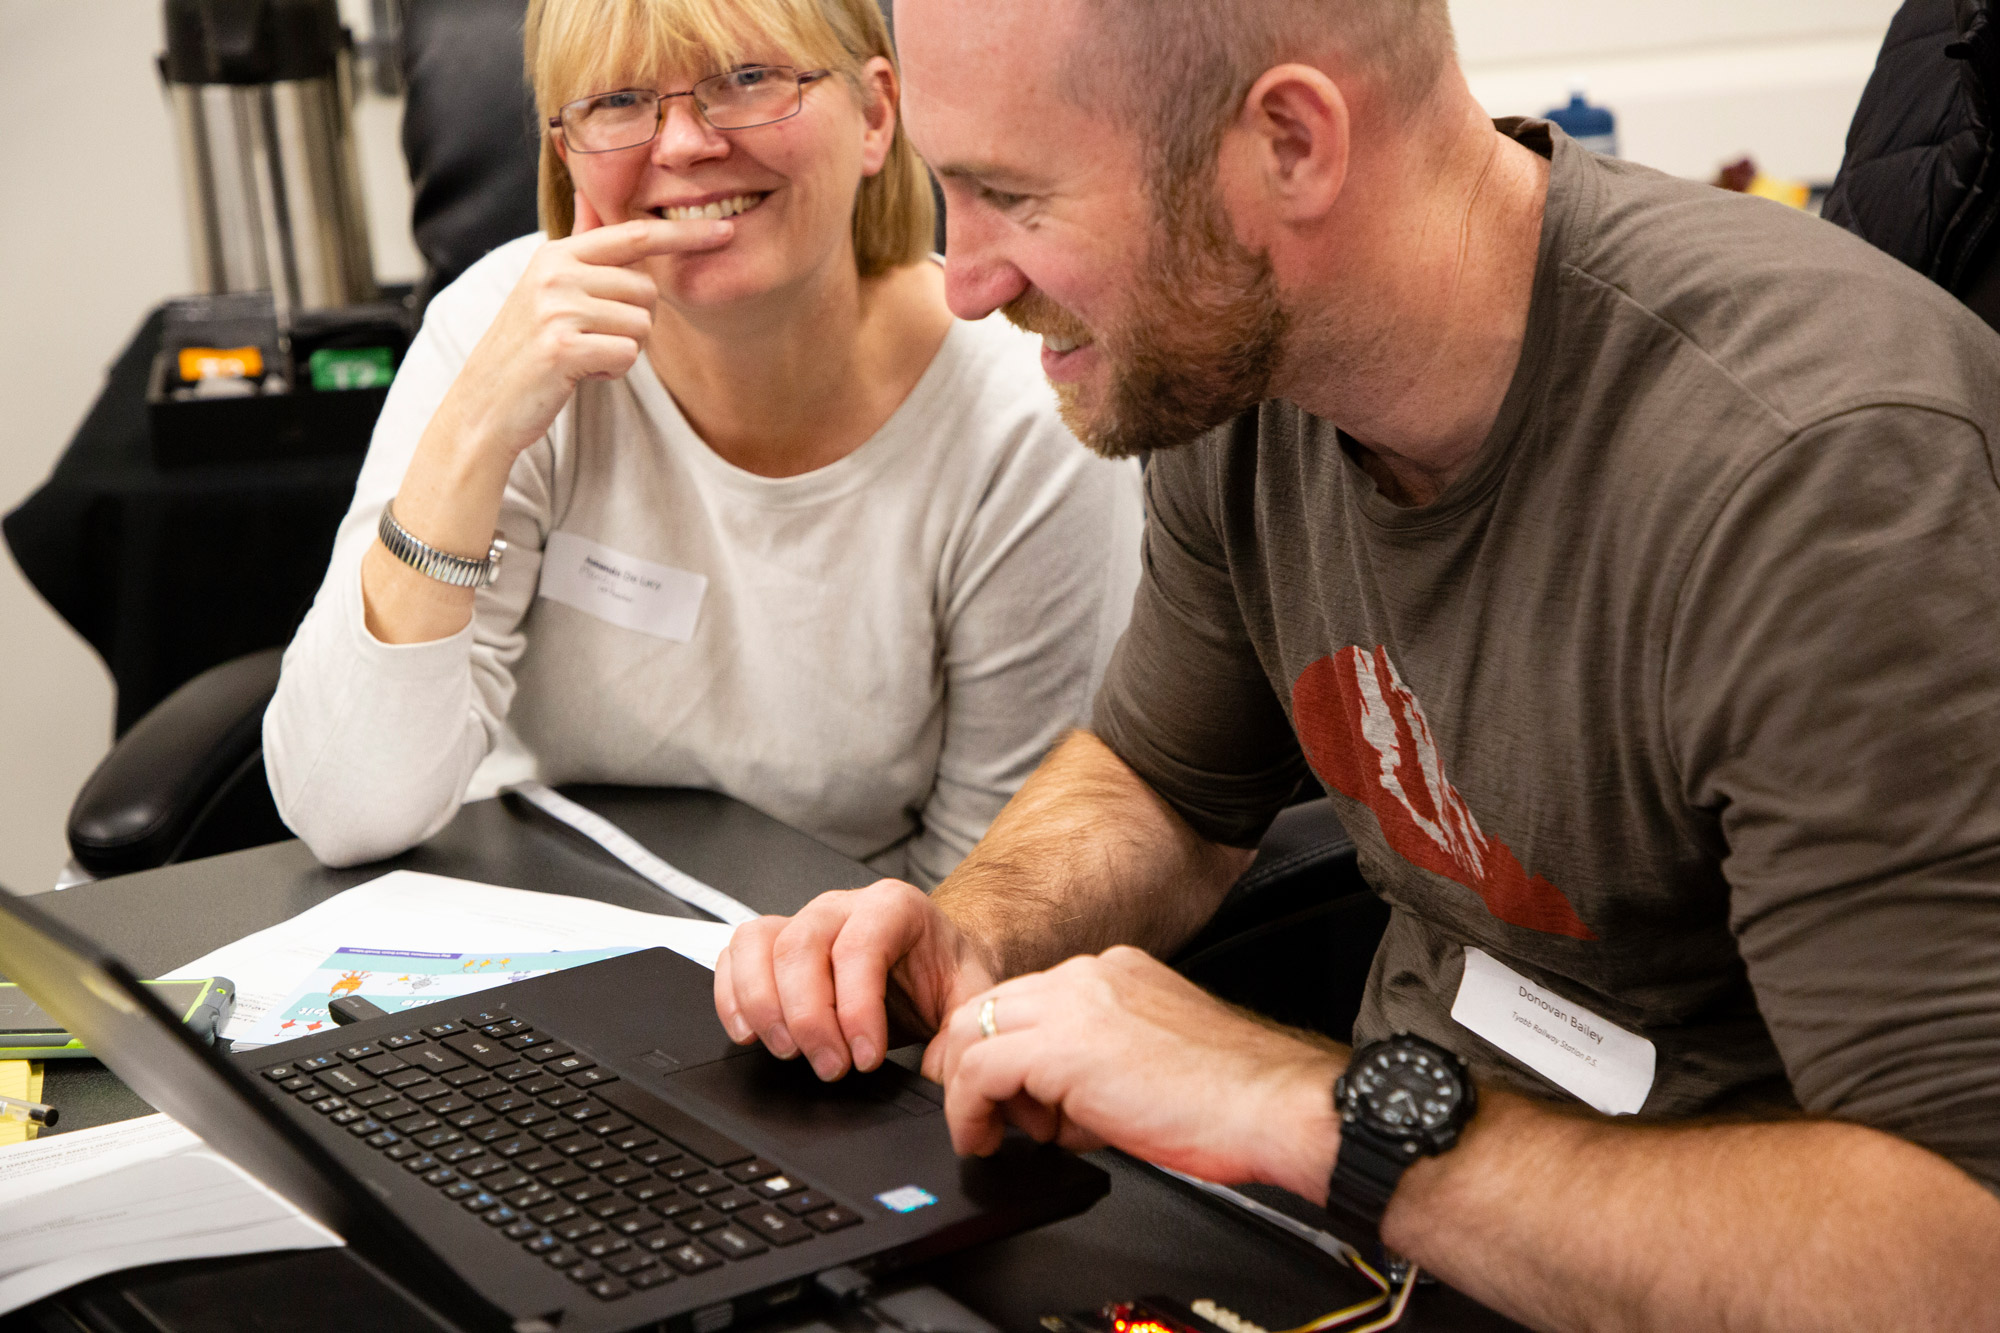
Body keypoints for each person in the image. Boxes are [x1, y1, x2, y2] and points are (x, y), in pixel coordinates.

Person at [713, 0, 2000, 1327]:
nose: (966, 276)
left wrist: (1294, 1108)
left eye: (1013, 196)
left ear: (1291, 142)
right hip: (1367, 1242)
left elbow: (1961, 1254)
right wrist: (968, 929)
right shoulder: (1240, 365)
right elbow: (1162, 784)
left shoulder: (1819, 471)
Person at [264, 0, 1141, 885]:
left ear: (877, 117)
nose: (682, 146)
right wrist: (472, 435)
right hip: (526, 947)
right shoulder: (499, 338)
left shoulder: (1020, 424)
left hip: (826, 990)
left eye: (749, 80)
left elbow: (979, 910)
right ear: (566, 155)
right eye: (616, 102)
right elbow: (343, 810)